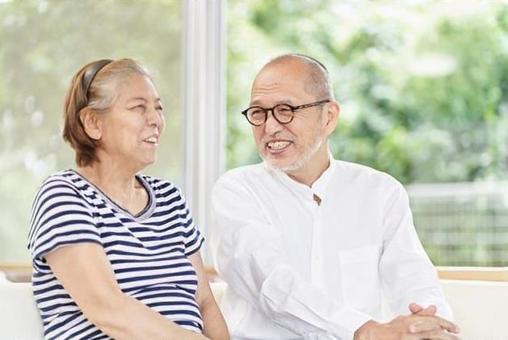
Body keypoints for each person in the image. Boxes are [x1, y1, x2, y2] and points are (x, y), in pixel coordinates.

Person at [211, 54, 460, 340]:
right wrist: (364, 331)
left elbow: (413, 277)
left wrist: (429, 326)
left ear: (328, 117)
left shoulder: (381, 192)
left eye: (285, 110)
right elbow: (273, 285)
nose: (269, 127)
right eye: (258, 113)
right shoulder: (237, 190)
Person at [27, 58, 229, 340]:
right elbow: (110, 311)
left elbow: (205, 303)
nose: (156, 120)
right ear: (93, 122)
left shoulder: (170, 199)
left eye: (159, 108)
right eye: (139, 108)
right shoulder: (64, 194)